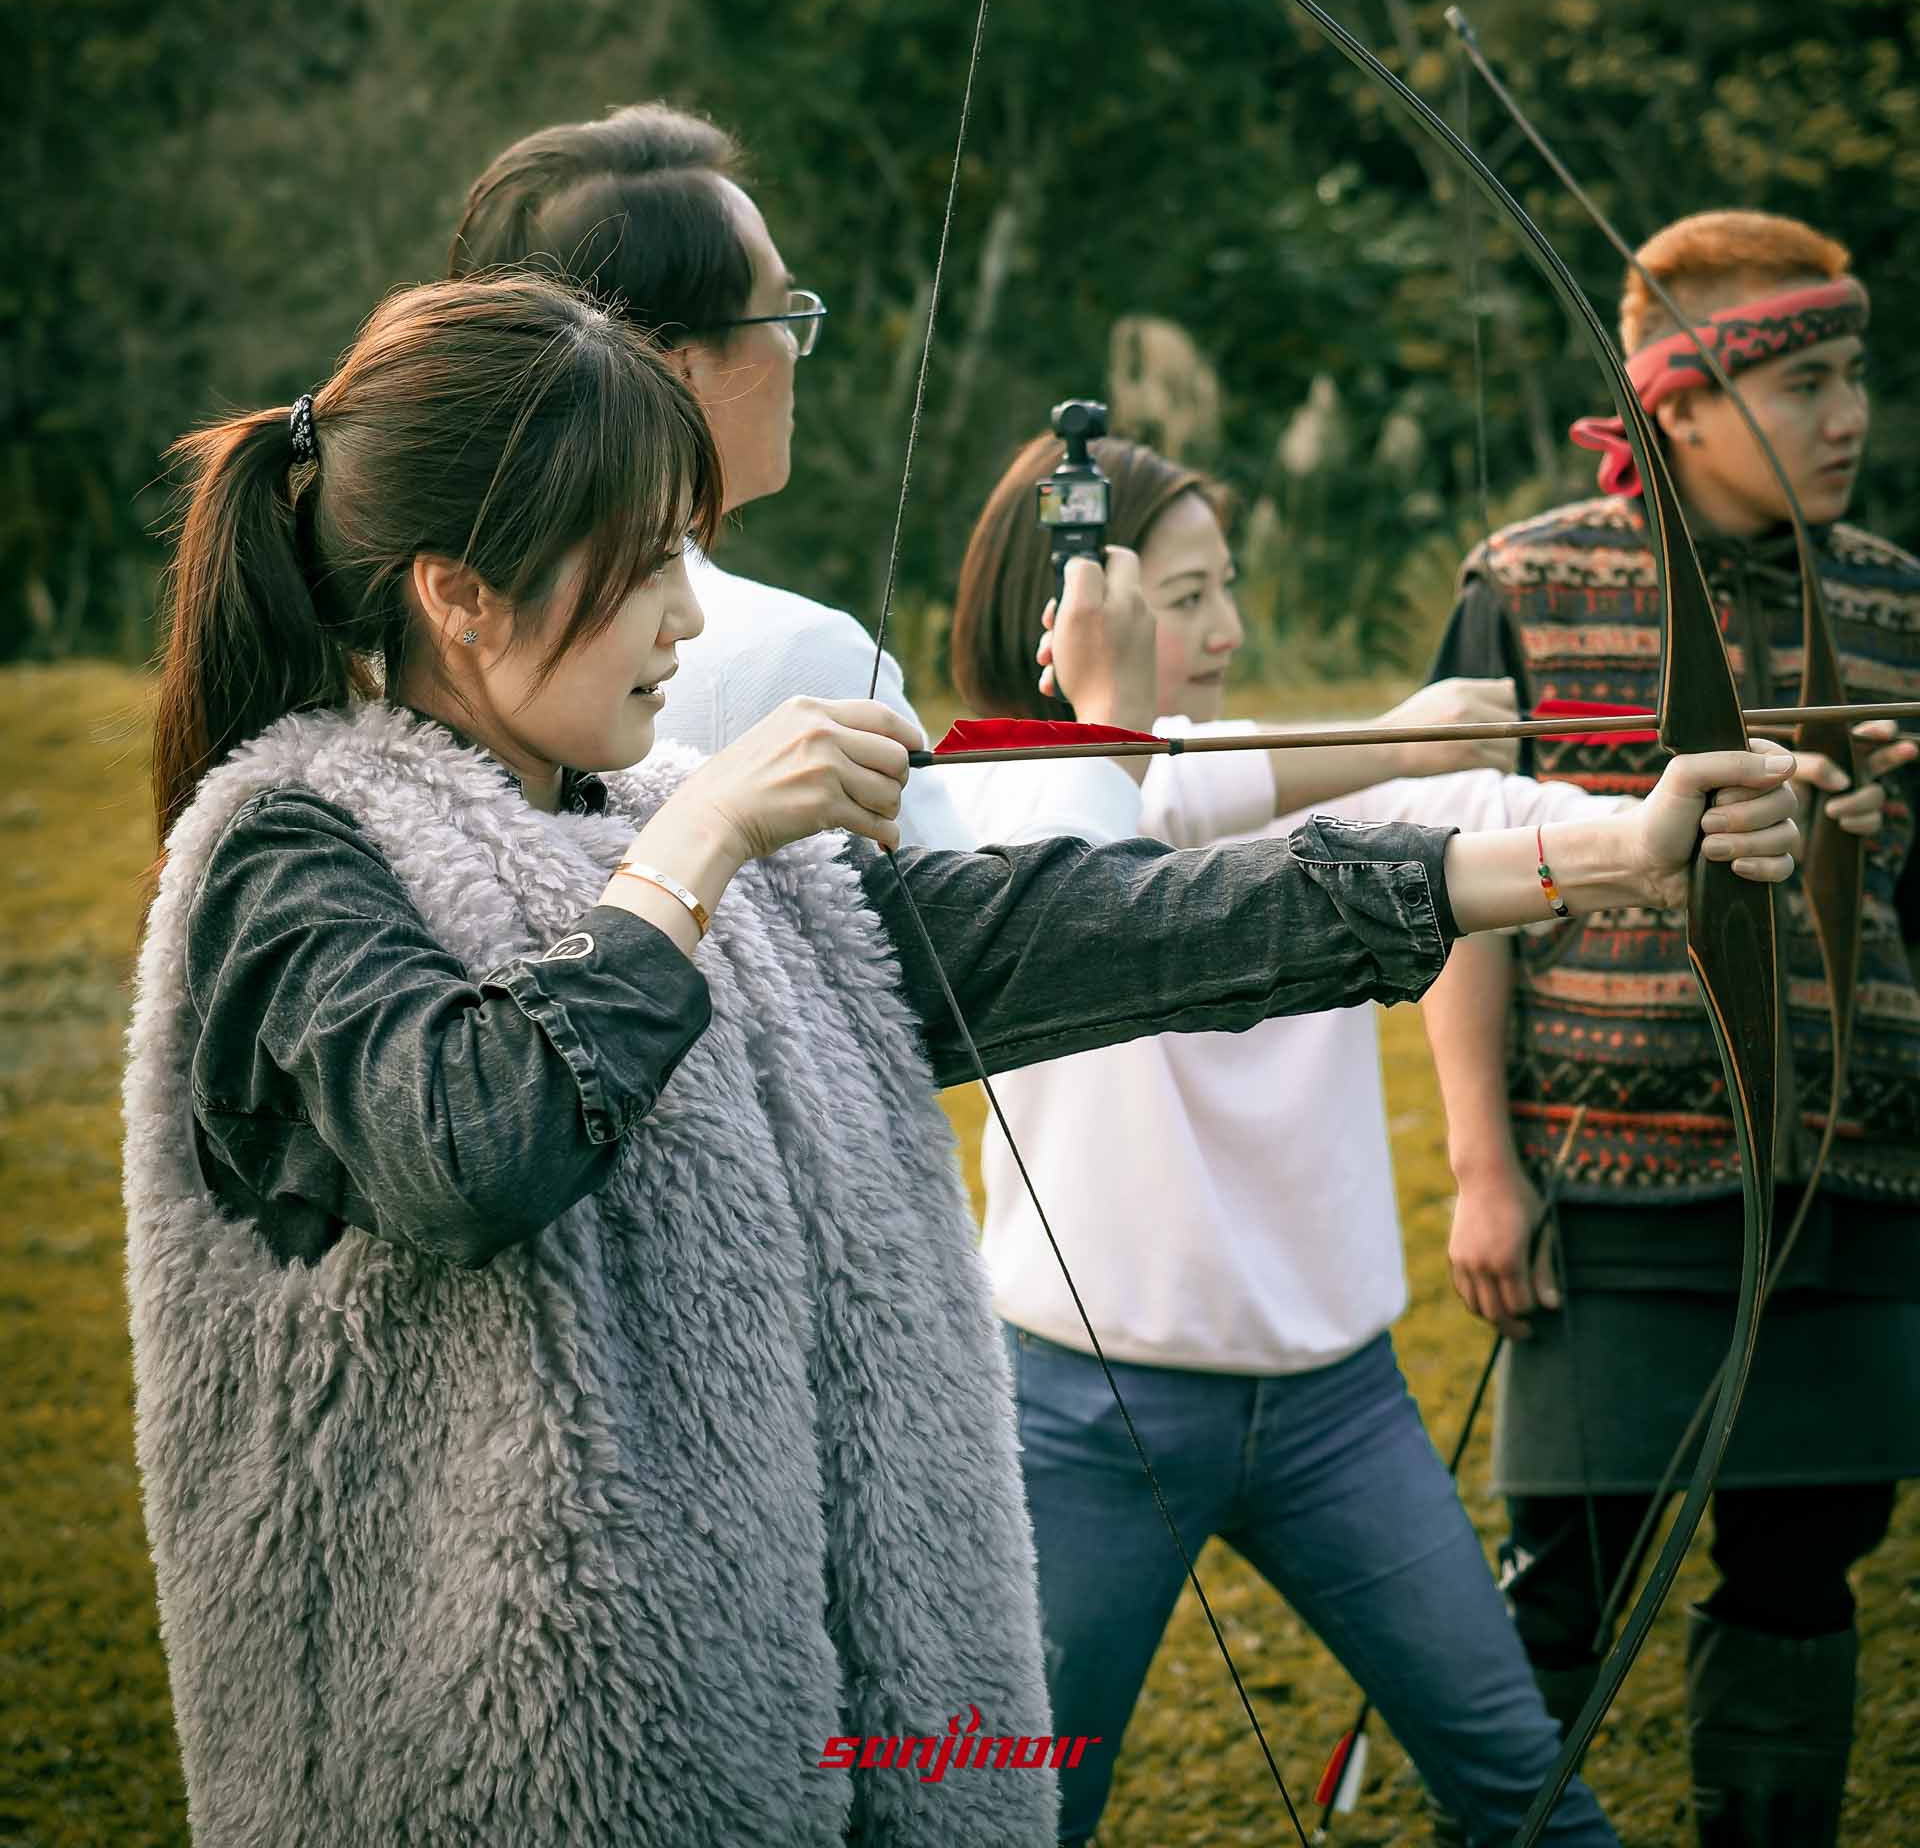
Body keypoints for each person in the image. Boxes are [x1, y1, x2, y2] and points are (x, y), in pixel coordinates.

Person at [125, 273, 1801, 1848]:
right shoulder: (299, 853)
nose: (680, 617)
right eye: (638, 565)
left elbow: (1118, 928)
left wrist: (1608, 857)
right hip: (486, 1759)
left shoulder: (673, 855)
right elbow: (470, 1148)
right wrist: (701, 835)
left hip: (770, 1698)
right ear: (461, 593)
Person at [944, 430, 1639, 1848]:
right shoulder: (993, 798)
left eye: (1225, 588)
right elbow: (1126, 806)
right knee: (1011, 1816)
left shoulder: (1325, 791)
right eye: (1183, 596)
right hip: (1083, 1416)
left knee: (1528, 1794)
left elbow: (1512, 815)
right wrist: (1388, 729)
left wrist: (1698, 817)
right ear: (1071, 618)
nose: (1229, 630)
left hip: (1339, 1409)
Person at [1424, 209, 1920, 1848]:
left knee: (1806, 1560)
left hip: (1847, 1184)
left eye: (1859, 378)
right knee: (1563, 1583)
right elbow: (1451, 893)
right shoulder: (1529, 584)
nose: (1851, 415)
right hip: (1611, 1191)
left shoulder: (1897, 605)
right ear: (1680, 404)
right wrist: (1485, 1170)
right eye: (1809, 385)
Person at [448, 99, 970, 845]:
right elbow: (971, 944)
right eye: (781, 314)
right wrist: (1106, 750)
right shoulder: (800, 661)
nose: (795, 348)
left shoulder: (411, 653)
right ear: (677, 372)